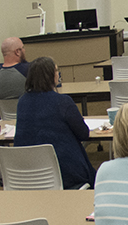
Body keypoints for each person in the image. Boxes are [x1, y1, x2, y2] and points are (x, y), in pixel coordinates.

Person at [13, 57, 94, 189]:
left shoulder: (22, 102)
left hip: (28, 174)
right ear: (50, 76)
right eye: (56, 71)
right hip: (64, 174)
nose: (58, 74)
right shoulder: (63, 102)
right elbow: (84, 133)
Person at [0, 36, 31, 102]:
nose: (24, 50)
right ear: (17, 52)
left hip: (3, 112)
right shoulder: (29, 69)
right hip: (26, 111)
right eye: (23, 48)